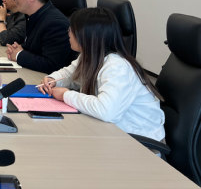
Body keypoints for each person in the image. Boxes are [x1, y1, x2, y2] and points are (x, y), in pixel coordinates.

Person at [38, 7, 165, 141]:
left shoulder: (117, 66)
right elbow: (70, 74)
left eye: (72, 29)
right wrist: (53, 79)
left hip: (139, 142)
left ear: (86, 35)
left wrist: (66, 95)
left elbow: (106, 111)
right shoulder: (90, 56)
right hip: (111, 132)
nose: (68, 32)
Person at [6, 0, 76, 73]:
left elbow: (52, 65)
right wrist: (20, 49)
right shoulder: (34, 15)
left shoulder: (55, 23)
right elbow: (36, 47)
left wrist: (19, 55)